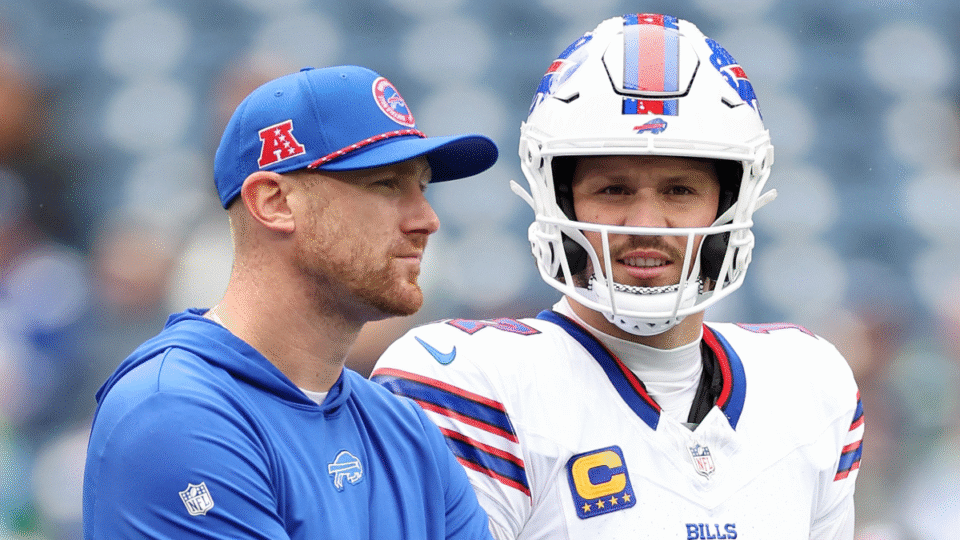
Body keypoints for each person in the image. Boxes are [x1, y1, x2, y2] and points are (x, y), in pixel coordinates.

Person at [372, 14, 863, 539]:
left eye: (680, 190)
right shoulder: (473, 383)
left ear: (729, 205)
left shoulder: (809, 385)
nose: (647, 225)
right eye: (614, 190)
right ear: (560, 201)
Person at [82, 65, 500, 539]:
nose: (426, 219)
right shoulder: (172, 413)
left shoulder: (406, 431)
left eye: (421, 188)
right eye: (386, 183)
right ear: (274, 202)